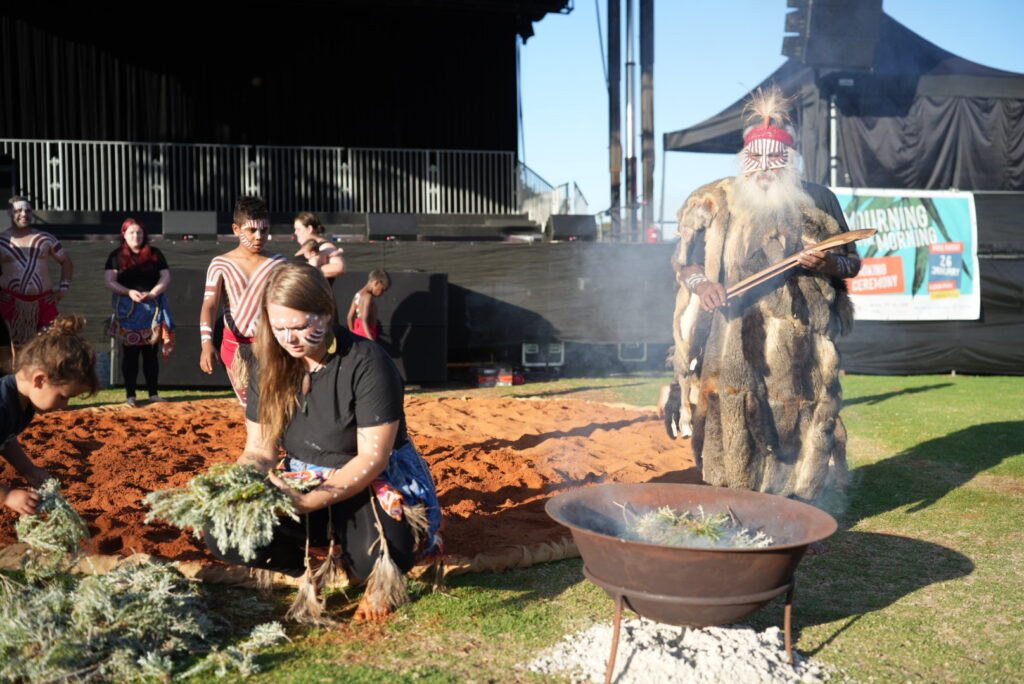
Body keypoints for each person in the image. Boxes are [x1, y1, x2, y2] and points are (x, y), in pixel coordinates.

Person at [204, 263, 442, 623]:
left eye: (300, 326)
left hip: (366, 480)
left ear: (327, 314)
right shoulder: (265, 364)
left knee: (383, 553)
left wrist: (307, 502)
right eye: (279, 328)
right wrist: (238, 486)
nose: (289, 338)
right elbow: (259, 451)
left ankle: (358, 553)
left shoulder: (368, 363)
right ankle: (307, 568)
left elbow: (372, 459)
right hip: (300, 478)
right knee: (222, 529)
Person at [663, 86, 861, 504]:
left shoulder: (819, 199)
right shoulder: (713, 200)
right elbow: (685, 263)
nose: (766, 168)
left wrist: (824, 263)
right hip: (731, 336)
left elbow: (851, 264)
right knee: (731, 419)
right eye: (756, 159)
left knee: (796, 423)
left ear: (791, 161)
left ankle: (795, 509)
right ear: (743, 160)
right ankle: (730, 502)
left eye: (776, 159)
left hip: (801, 343)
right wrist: (704, 286)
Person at [1, 315, 98, 515]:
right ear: (39, 380)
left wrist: (27, 469)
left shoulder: (23, 403)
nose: (65, 406)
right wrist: (7, 496)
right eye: (63, 397)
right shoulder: (2, 405)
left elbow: (5, 438)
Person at [199, 197, 286, 406]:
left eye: (264, 230)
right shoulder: (221, 264)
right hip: (235, 347)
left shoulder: (278, 263)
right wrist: (206, 343)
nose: (259, 236)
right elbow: (210, 305)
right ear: (236, 229)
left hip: (270, 346)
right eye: (252, 230)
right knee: (250, 408)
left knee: (274, 405)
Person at [104, 219, 175, 407]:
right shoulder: (116, 256)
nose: (136, 236)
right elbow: (109, 280)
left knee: (151, 353)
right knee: (130, 355)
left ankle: (153, 394)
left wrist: (153, 293)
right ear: (124, 235)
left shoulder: (155, 254)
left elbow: (166, 277)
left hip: (152, 312)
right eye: (131, 233)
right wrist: (129, 292)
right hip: (128, 312)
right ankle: (131, 396)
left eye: (139, 233)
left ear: (144, 235)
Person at [0, 196, 74, 351]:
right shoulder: (2, 241)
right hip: (10, 302)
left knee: (52, 346)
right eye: (19, 210)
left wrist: (63, 289)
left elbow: (66, 261)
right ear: (9, 213)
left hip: (44, 301)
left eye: (28, 210)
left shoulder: (46, 238)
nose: (24, 214)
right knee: (15, 351)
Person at [293, 212, 345, 282]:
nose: (295, 232)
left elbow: (339, 268)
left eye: (298, 229)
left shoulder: (325, 246)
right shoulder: (305, 248)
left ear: (309, 229)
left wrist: (308, 271)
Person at [346, 270, 390, 342]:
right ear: (376, 282)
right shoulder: (368, 297)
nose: (382, 294)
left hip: (358, 333)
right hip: (367, 335)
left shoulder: (357, 294)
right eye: (382, 290)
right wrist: (371, 340)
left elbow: (349, 317)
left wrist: (353, 334)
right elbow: (364, 320)